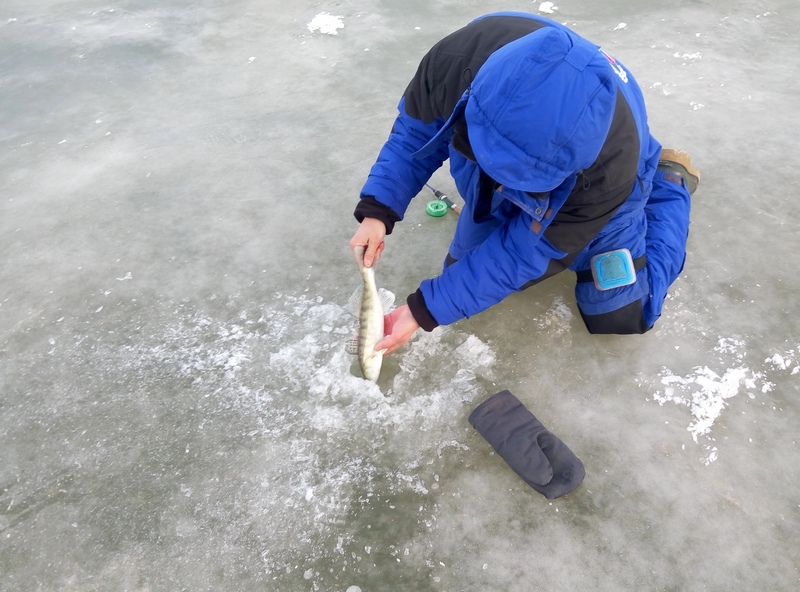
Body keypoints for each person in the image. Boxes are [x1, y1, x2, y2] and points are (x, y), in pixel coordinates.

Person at [349, 12, 699, 355]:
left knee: (621, 314)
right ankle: (503, 169)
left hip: (599, 190)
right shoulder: (457, 59)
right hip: (507, 158)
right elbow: (415, 135)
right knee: (462, 276)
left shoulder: (608, 170)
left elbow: (531, 250)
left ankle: (669, 180)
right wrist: (378, 211)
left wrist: (422, 310)